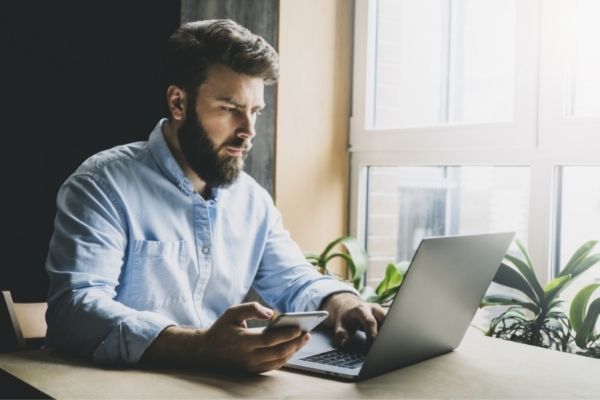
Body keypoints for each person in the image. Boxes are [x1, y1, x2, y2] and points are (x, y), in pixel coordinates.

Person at [45, 19, 384, 373]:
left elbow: (294, 279)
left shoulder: (251, 200)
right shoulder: (102, 185)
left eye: (254, 112)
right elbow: (75, 308)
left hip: (212, 385)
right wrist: (199, 347)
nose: (248, 131)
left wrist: (342, 302)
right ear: (178, 103)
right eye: (230, 109)